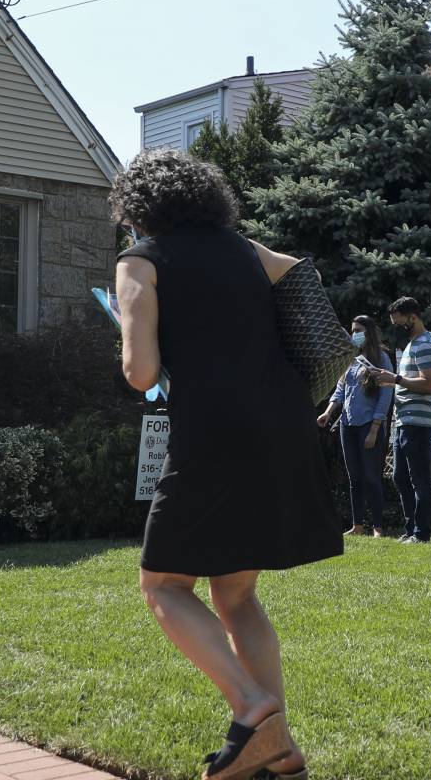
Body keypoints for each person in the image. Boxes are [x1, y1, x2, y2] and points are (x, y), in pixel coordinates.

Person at [113, 149, 340, 780]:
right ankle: (279, 752)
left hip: (215, 432)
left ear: (137, 208)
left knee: (163, 586)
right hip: (285, 423)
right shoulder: (247, 249)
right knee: (236, 594)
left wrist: (131, 324)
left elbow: (141, 373)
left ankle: (251, 705)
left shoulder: (140, 261)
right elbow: (299, 274)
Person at [372, 297, 431, 544]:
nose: (397, 328)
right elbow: (410, 382)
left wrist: (396, 379)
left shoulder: (426, 344)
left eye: (399, 322)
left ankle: (421, 534)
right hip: (405, 420)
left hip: (418, 422)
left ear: (413, 317)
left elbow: (427, 384)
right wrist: (390, 382)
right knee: (400, 477)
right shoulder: (413, 344)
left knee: (420, 479)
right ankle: (411, 530)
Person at [319, 315, 393, 537]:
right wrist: (328, 412)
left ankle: (378, 527)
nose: (354, 335)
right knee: (354, 478)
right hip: (348, 424)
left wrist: (375, 429)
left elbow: (386, 395)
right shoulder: (351, 359)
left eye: (358, 330)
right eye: (352, 330)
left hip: (369, 425)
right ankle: (357, 526)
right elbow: (341, 390)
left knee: (372, 476)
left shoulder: (381, 359)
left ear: (369, 332)